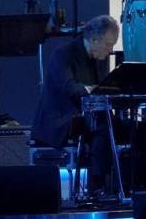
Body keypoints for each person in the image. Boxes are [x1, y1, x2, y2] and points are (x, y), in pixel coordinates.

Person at [32, 15, 127, 192]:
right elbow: (71, 89)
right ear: (93, 39)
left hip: (85, 117)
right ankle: (97, 185)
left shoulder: (96, 58)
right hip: (61, 120)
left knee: (135, 129)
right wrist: (95, 88)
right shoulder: (64, 54)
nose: (110, 50)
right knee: (103, 130)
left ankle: (135, 183)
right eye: (108, 44)